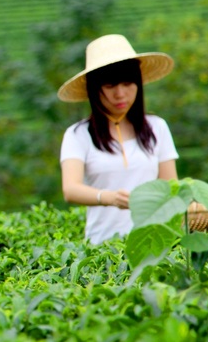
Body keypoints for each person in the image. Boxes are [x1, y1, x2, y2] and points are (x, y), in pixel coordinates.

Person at [58, 34, 179, 244]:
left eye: (127, 83)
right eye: (110, 85)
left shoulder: (157, 127)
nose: (120, 94)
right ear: (94, 89)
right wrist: (110, 198)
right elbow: (71, 189)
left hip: (155, 242)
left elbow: (171, 187)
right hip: (103, 247)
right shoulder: (78, 135)